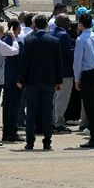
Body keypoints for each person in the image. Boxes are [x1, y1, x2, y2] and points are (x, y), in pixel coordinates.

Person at [19, 14, 62, 151]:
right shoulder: (54, 41)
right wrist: (58, 81)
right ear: (46, 25)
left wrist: (22, 79)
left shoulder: (28, 40)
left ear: (34, 25)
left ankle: (30, 142)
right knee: (47, 111)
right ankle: (47, 141)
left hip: (32, 81)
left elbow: (25, 62)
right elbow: (58, 63)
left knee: (31, 111)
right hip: (49, 81)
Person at [73, 11, 94, 148]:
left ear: (81, 24)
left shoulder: (81, 39)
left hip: (88, 74)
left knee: (90, 107)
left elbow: (78, 61)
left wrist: (77, 78)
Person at [50, 13, 75, 134]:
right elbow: (70, 53)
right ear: (63, 23)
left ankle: (54, 120)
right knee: (62, 98)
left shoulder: (53, 33)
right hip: (65, 72)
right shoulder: (63, 35)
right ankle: (58, 123)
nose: (70, 23)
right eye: (68, 21)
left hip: (56, 71)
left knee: (55, 98)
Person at [1, 19, 25, 143]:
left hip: (5, 79)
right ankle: (12, 132)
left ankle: (6, 132)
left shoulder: (3, 41)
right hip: (15, 80)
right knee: (14, 107)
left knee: (7, 107)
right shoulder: (18, 43)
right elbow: (21, 63)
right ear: (16, 29)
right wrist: (21, 79)